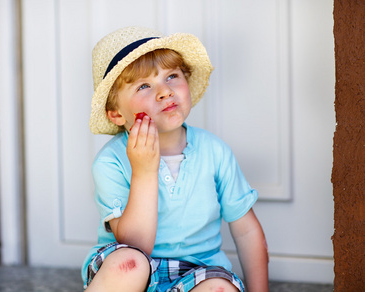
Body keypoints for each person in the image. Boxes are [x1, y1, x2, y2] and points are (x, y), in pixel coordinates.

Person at [82, 26, 269, 292]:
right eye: (144, 86)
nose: (164, 92)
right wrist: (144, 171)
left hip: (198, 272)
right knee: (128, 262)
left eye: (171, 76)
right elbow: (137, 244)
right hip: (135, 273)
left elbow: (247, 232)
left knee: (220, 288)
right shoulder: (109, 162)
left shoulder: (214, 151)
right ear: (116, 114)